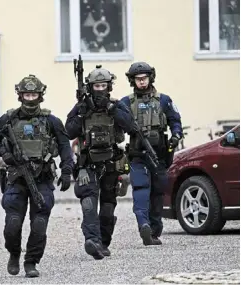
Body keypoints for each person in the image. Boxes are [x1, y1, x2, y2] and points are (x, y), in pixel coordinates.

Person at [0, 74, 74, 278]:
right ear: (20, 95)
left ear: (40, 95)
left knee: (40, 223)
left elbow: (64, 147)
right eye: (27, 94)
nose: (30, 98)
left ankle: (31, 261)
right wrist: (5, 154)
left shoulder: (51, 120)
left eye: (34, 94)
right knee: (13, 223)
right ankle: (14, 253)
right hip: (16, 177)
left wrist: (67, 171)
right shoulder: (8, 118)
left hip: (42, 177)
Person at [65, 65, 134, 259]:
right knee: (88, 205)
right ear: (90, 87)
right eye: (96, 86)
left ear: (109, 86)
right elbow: (68, 131)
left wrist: (113, 110)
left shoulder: (117, 105)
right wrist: (82, 114)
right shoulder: (81, 107)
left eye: (103, 85)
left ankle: (104, 242)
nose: (100, 90)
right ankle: (92, 241)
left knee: (107, 208)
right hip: (88, 165)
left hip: (111, 164)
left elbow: (130, 126)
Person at [120, 62, 183, 245]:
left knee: (158, 191)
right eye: (138, 79)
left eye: (144, 78)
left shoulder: (163, 100)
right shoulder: (126, 102)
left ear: (150, 78)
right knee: (140, 188)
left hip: (160, 154)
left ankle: (154, 230)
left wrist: (176, 136)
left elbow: (175, 121)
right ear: (133, 81)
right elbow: (117, 125)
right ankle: (144, 225)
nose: (141, 82)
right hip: (137, 154)